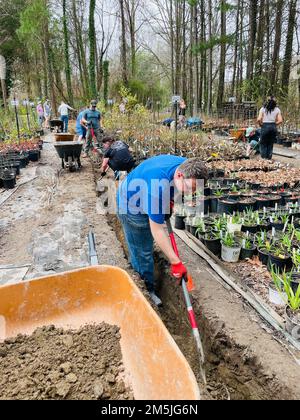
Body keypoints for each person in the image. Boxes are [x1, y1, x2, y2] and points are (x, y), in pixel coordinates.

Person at [117, 156, 208, 306]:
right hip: (131, 206)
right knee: (143, 252)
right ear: (179, 175)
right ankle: (146, 291)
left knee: (149, 239)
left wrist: (170, 200)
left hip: (144, 189)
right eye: (189, 188)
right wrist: (175, 261)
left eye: (195, 189)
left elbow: (173, 188)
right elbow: (157, 230)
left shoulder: (187, 166)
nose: (191, 193)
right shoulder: (157, 190)